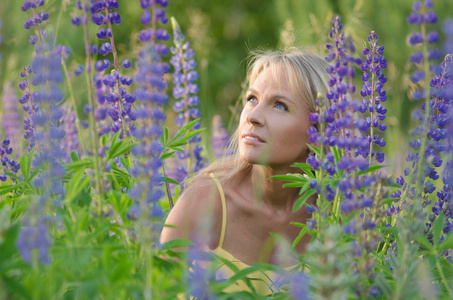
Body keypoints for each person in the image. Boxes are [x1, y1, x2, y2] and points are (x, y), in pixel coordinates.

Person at [160, 48, 330, 294]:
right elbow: (156, 289)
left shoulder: (336, 214)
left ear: (319, 130)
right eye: (252, 98)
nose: (253, 116)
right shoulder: (206, 201)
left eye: (280, 106)